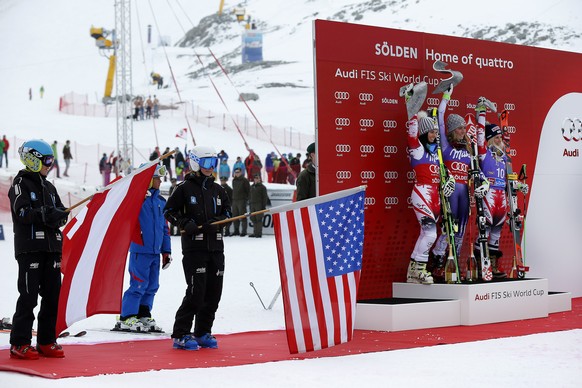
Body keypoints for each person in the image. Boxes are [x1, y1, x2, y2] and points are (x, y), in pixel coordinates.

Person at [163, 145, 231, 350]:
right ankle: (181, 333)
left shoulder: (219, 190)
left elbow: (228, 214)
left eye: (214, 163)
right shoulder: (184, 188)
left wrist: (217, 223)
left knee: (213, 293)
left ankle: (202, 331)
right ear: (195, 163)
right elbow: (169, 211)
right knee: (196, 292)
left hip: (216, 248)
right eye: (207, 163)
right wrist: (184, 223)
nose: (211, 168)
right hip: (195, 249)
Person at [8, 139, 70, 359]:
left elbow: (61, 211)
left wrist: (60, 215)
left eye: (52, 161)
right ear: (32, 159)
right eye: (46, 160)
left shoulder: (50, 187)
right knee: (29, 296)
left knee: (53, 296)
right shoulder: (20, 184)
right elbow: (22, 212)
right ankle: (19, 342)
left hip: (52, 248)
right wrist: (45, 213)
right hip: (30, 248)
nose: (49, 165)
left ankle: (46, 340)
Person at [429, 85, 489, 281]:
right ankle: (436, 264)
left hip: (464, 193)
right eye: (460, 128)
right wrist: (446, 96)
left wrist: (484, 185)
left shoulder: (468, 151)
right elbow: (440, 118)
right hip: (450, 192)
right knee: (449, 229)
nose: (464, 130)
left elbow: (478, 172)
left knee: (461, 232)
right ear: (453, 130)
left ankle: (452, 266)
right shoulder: (445, 146)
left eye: (465, 127)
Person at [400, 82, 454, 284]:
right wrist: (410, 103)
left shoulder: (437, 154)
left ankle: (414, 271)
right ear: (424, 133)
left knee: (428, 232)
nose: (434, 134)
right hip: (422, 193)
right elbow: (412, 130)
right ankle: (420, 269)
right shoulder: (417, 149)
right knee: (430, 233)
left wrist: (448, 180)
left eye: (435, 132)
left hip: (435, 197)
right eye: (430, 132)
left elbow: (444, 174)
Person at [474, 97, 529, 278]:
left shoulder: (504, 158)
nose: (500, 141)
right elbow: (480, 135)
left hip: (502, 198)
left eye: (500, 138)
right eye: (496, 138)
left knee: (496, 231)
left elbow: (509, 179)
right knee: (486, 229)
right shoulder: (484, 153)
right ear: (490, 140)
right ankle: (481, 262)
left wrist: (519, 185)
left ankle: (494, 265)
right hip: (489, 196)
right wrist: (482, 113)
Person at [118, 164, 172, 332]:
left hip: (155, 251)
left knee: (152, 285)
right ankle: (127, 316)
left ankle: (143, 314)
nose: (160, 181)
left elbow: (164, 228)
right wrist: (137, 195)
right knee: (138, 284)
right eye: (157, 178)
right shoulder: (137, 199)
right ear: (148, 180)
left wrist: (166, 251)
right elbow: (124, 213)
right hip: (140, 250)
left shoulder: (160, 201)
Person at [231, 167, 250, 237]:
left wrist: (246, 199)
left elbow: (248, 190)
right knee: (235, 216)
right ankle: (236, 230)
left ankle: (244, 231)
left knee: (243, 216)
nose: (237, 173)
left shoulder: (244, 180)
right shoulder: (234, 180)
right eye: (235, 172)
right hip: (234, 200)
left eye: (238, 172)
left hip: (242, 200)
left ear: (241, 173)